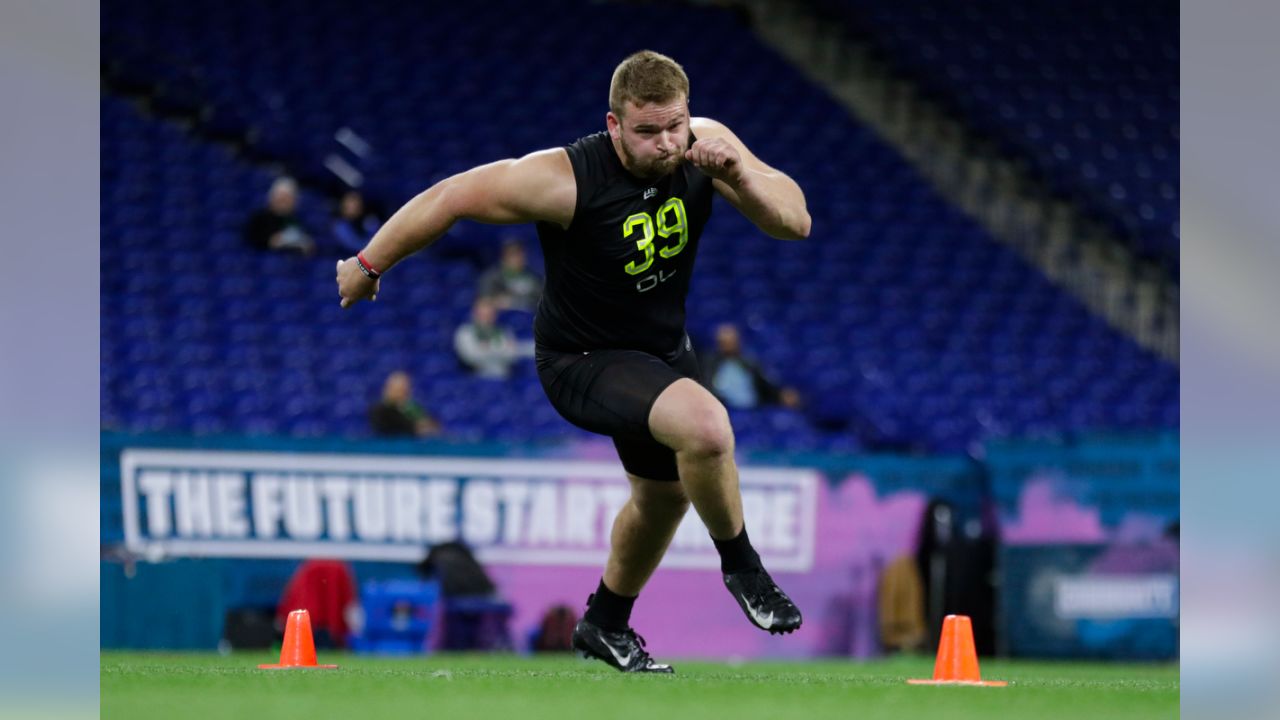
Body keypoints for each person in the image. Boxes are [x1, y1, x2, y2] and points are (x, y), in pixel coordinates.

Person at [336, 50, 810, 673]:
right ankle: (744, 568)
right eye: (647, 132)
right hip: (581, 358)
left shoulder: (705, 142)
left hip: (663, 353)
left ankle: (606, 623)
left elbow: (795, 221)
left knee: (665, 497)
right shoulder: (565, 178)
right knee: (707, 428)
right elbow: (451, 196)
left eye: (676, 126)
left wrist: (740, 177)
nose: (667, 144)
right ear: (614, 126)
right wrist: (368, 266)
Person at [702, 323, 802, 410]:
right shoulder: (709, 363)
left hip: (752, 409)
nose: (728, 345)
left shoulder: (749, 362)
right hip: (724, 409)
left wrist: (780, 394)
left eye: (731, 341)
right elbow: (707, 387)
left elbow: (765, 383)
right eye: (723, 342)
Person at [453, 297, 529, 379]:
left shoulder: (503, 332)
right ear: (474, 314)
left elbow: (512, 355)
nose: (486, 318)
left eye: (489, 314)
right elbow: (470, 356)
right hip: (476, 378)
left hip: (504, 377)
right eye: (482, 315)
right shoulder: (465, 332)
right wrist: (500, 350)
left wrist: (486, 350)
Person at [243, 176, 315, 255]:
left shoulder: (297, 220)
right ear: (272, 199)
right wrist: (270, 241)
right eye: (281, 199)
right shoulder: (259, 218)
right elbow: (251, 241)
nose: (284, 203)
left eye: (288, 199)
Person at [478, 237, 544, 312]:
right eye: (512, 254)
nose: (517, 258)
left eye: (520, 253)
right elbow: (485, 301)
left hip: (530, 317)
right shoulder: (491, 277)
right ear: (504, 256)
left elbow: (541, 300)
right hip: (502, 319)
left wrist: (513, 301)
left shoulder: (534, 276)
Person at [368, 370, 441, 438]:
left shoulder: (412, 407)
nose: (403, 392)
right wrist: (416, 426)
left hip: (411, 447)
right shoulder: (379, 409)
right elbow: (387, 428)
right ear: (388, 388)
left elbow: (430, 425)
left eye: (405, 389)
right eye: (399, 389)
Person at [331, 189, 382, 255]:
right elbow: (353, 245)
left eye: (356, 203)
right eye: (350, 204)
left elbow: (378, 238)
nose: (354, 206)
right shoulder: (339, 226)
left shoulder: (369, 220)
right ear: (343, 206)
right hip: (348, 258)